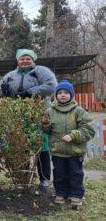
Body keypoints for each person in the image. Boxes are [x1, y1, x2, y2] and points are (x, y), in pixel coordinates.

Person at [0, 49, 57, 189]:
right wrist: (4, 91)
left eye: (28, 58)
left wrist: (30, 92)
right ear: (18, 61)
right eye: (22, 59)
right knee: (20, 145)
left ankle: (44, 179)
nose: (25, 61)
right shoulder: (10, 75)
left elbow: (51, 86)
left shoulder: (41, 71)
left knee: (41, 146)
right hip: (18, 117)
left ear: (33, 59)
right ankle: (22, 178)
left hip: (38, 115)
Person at [41, 80, 95, 208]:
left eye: (66, 92)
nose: (63, 95)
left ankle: (75, 196)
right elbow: (46, 131)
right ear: (56, 95)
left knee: (75, 174)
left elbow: (88, 130)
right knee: (59, 174)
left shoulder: (78, 111)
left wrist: (73, 135)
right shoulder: (50, 111)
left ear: (71, 94)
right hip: (57, 150)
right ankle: (61, 194)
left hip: (74, 151)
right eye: (60, 92)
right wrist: (45, 124)